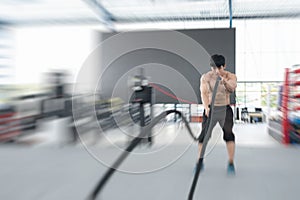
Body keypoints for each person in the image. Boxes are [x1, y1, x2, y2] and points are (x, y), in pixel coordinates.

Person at [198, 54, 237, 174]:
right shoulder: (205, 77)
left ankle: (231, 162)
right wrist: (206, 107)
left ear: (224, 66)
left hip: (225, 109)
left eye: (219, 68)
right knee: (203, 136)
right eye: (214, 68)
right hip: (210, 109)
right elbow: (204, 93)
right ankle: (200, 162)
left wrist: (223, 79)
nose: (216, 71)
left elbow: (232, 88)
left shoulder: (231, 76)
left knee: (229, 134)